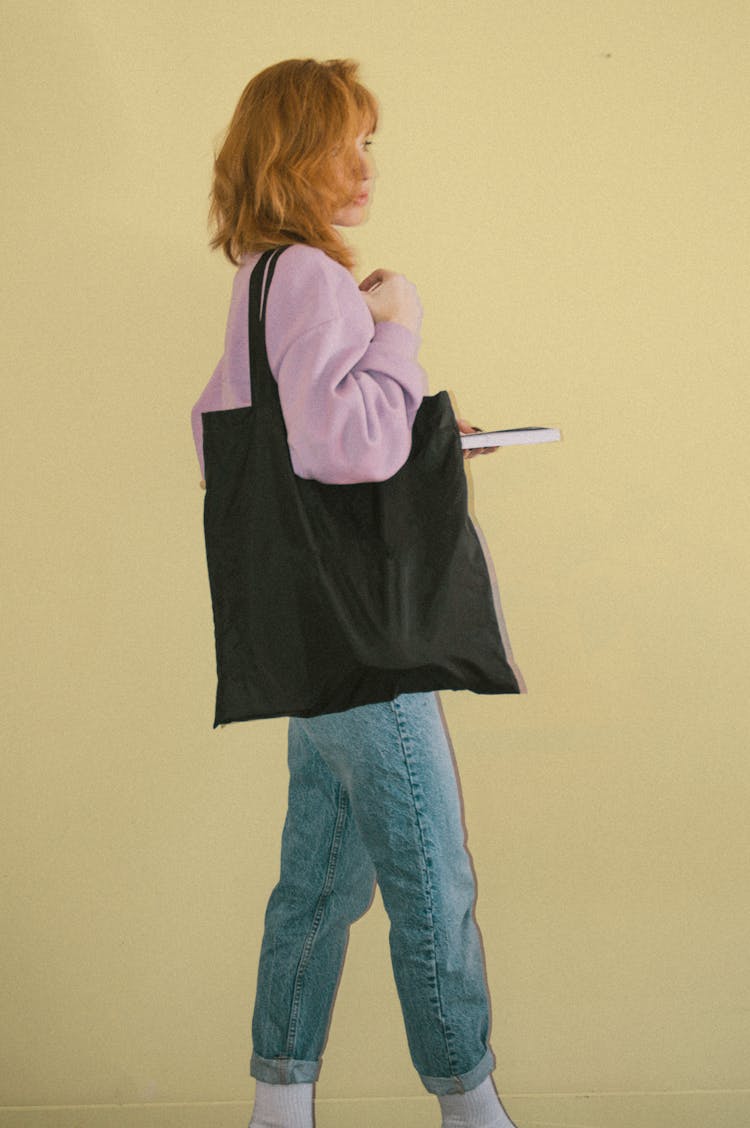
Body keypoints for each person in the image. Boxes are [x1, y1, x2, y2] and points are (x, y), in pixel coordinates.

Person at [191, 58, 518, 1128]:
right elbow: (343, 444)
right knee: (433, 882)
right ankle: (472, 1109)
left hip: (309, 642)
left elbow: (229, 438)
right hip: (365, 645)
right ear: (296, 152)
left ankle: (277, 1104)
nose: (367, 162)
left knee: (317, 887)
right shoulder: (318, 280)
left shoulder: (258, 284)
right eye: (353, 138)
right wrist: (401, 329)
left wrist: (426, 439)